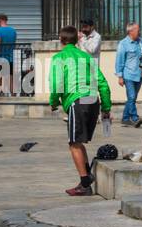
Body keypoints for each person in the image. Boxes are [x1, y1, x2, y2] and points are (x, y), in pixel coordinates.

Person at [48, 25, 112, 196]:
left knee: (73, 143)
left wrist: (53, 102)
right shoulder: (86, 56)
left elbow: (56, 84)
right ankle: (85, 180)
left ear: (61, 40)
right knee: (79, 142)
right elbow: (103, 83)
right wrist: (106, 107)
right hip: (93, 100)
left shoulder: (59, 58)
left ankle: (85, 183)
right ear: (77, 40)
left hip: (77, 101)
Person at [113, 22, 142, 127]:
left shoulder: (141, 42)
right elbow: (119, 61)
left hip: (139, 75)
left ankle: (125, 118)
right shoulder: (123, 44)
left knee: (131, 98)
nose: (139, 31)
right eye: (137, 29)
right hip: (128, 75)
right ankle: (135, 118)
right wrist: (120, 76)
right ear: (130, 31)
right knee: (132, 96)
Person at [0, 13, 17, 96]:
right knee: (11, 77)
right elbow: (14, 43)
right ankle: (13, 95)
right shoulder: (13, 31)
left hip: (1, 57)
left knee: (0, 76)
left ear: (0, 20)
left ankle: (0, 94)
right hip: (11, 57)